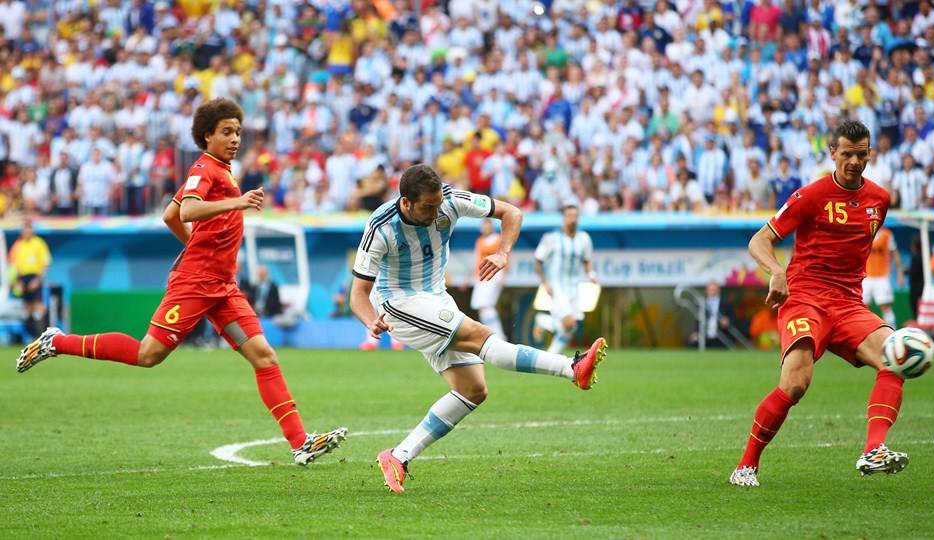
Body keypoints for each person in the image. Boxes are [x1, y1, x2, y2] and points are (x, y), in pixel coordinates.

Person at [16, 98, 346, 465]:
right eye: (226, 132)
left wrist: (197, 244)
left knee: (264, 356)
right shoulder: (205, 169)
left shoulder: (223, 170)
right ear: (207, 136)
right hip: (195, 283)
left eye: (238, 131)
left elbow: (171, 216)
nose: (235, 138)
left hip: (222, 286)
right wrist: (234, 207)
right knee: (148, 355)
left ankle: (300, 443)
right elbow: (188, 209)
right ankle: (57, 342)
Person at [349, 164, 606, 494]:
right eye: (428, 206)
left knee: (473, 390)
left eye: (438, 203)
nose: (436, 211)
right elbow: (358, 293)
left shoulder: (451, 201)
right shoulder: (380, 227)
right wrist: (370, 319)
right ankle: (572, 368)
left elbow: (511, 212)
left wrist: (502, 253)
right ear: (406, 202)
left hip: (437, 298)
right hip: (399, 303)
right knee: (482, 336)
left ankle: (398, 456)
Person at [730, 120, 909, 487]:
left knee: (896, 355)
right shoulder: (810, 195)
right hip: (805, 299)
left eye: (861, 155)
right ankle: (746, 465)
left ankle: (874, 450)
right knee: (795, 383)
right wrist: (777, 272)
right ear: (832, 153)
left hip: (847, 303)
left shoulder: (879, 200)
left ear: (870, 153)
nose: (854, 162)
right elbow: (759, 240)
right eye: (847, 154)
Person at [533, 205, 597, 354]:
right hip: (557, 287)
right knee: (569, 322)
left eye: (575, 216)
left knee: (571, 327)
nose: (572, 219)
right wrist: (545, 283)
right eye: (569, 216)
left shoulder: (584, 239)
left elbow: (587, 260)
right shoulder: (552, 238)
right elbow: (537, 260)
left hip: (574, 287)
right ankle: (541, 320)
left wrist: (591, 274)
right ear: (563, 218)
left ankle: (550, 356)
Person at [8, 221, 51, 339]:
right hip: (22, 279)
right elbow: (13, 265)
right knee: (27, 308)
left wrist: (38, 279)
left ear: (32, 230)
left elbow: (46, 263)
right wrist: (17, 281)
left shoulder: (39, 243)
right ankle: (31, 337)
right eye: (24, 229)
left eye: (28, 229)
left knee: (39, 307)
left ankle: (43, 336)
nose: (26, 231)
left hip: (34, 277)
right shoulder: (18, 245)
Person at [469, 219, 506, 339]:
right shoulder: (479, 241)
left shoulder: (498, 239)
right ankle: (492, 335)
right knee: (481, 307)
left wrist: (504, 274)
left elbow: (505, 256)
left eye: (487, 225)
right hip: (480, 277)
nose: (485, 228)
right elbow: (476, 259)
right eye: (484, 226)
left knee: (486, 305)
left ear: (491, 227)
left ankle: (499, 337)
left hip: (493, 275)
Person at [862, 227, 904, 327]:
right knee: (862, 307)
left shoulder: (887, 234)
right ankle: (865, 332)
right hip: (866, 276)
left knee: (885, 307)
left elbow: (895, 253)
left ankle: (892, 332)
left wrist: (900, 273)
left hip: (882, 277)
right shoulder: (865, 232)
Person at [687, 281, 735, 348]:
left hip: (721, 336)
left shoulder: (726, 303)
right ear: (706, 291)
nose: (713, 292)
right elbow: (698, 320)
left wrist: (727, 321)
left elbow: (732, 318)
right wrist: (696, 332)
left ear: (719, 291)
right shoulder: (701, 304)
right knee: (692, 343)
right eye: (711, 290)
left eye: (715, 290)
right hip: (704, 336)